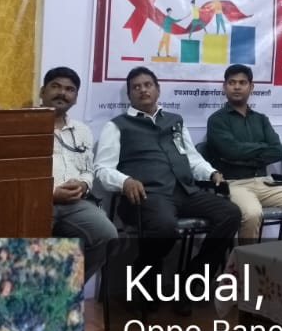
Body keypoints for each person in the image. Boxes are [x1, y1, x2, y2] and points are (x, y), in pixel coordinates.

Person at [93, 67, 240, 311]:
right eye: (136, 87)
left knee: (231, 214)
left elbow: (191, 158)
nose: (143, 90)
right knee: (164, 227)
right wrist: (125, 181)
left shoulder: (175, 121)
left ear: (158, 89)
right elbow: (102, 168)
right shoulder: (117, 126)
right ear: (129, 95)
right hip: (148, 195)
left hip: (185, 191)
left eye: (148, 85)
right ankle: (146, 271)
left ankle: (193, 278)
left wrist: (211, 173)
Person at [205, 64, 282, 241]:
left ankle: (281, 253)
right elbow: (231, 151)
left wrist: (243, 152)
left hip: (265, 182)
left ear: (251, 87)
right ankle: (247, 258)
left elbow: (277, 151)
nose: (237, 87)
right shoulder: (216, 120)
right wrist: (260, 149)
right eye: (232, 82)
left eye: (242, 82)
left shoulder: (261, 119)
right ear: (224, 87)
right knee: (252, 214)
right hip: (234, 184)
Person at [40, 67, 117, 281]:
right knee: (33, 252)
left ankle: (68, 287)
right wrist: (51, 194)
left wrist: (83, 185)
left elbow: (88, 170)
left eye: (69, 89)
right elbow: (17, 174)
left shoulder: (82, 130)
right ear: (42, 91)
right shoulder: (24, 126)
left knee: (108, 235)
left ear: (75, 98)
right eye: (55, 86)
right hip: (37, 202)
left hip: (75, 203)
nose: (62, 93)